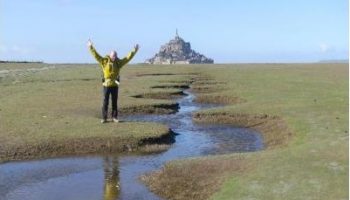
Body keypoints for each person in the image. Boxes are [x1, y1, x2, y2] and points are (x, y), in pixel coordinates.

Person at [87, 39, 139, 123]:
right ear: (110, 55)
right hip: (106, 85)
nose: (114, 57)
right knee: (105, 102)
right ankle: (104, 118)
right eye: (113, 55)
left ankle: (114, 117)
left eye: (115, 55)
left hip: (115, 85)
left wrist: (134, 50)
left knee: (114, 102)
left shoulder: (119, 62)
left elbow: (127, 58)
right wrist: (90, 47)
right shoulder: (104, 61)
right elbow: (96, 55)